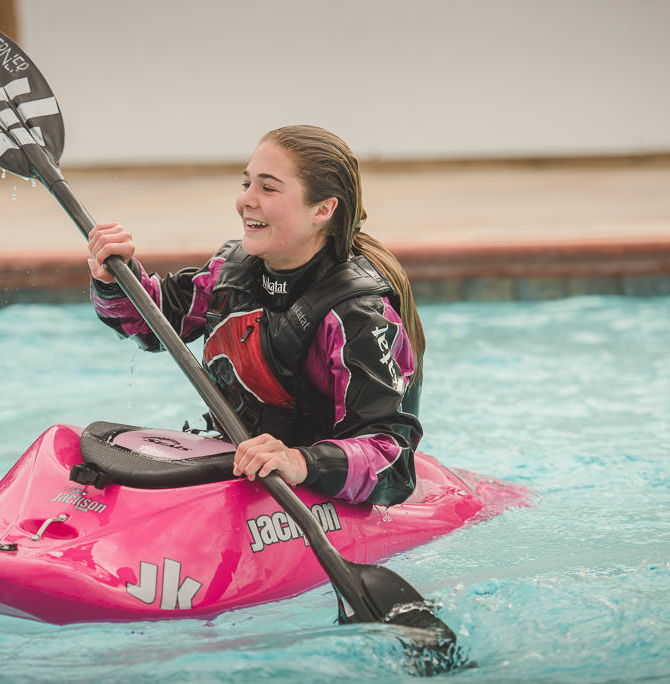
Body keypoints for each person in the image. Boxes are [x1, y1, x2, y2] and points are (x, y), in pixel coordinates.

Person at [86, 125, 426, 507]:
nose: (245, 200)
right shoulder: (230, 273)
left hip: (317, 487)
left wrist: (301, 462)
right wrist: (116, 279)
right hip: (238, 463)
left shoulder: (358, 316)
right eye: (246, 183)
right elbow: (153, 325)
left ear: (323, 209)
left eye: (268, 188)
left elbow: (393, 460)